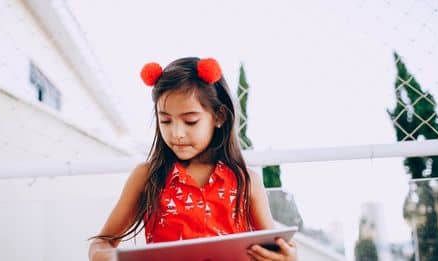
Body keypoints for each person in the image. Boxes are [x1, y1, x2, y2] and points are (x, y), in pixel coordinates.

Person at [88, 57, 297, 261]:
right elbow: (101, 243)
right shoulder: (147, 176)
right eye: (165, 121)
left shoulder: (246, 181)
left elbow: (273, 248)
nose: (177, 133)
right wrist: (109, 257)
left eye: (190, 121)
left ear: (219, 117)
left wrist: (287, 257)